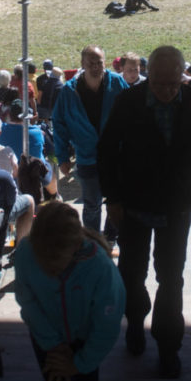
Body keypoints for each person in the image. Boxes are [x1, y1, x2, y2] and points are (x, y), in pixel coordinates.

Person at [97, 45, 191, 379]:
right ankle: (135, 321)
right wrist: (112, 198)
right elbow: (107, 150)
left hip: (175, 205)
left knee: (171, 278)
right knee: (131, 273)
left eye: (173, 84)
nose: (167, 91)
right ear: (148, 76)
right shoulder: (129, 101)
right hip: (134, 204)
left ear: (183, 77)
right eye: (159, 83)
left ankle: (169, 347)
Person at [13, 202, 125, 381]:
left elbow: (106, 326)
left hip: (86, 340)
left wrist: (79, 363)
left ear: (76, 248)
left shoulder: (100, 267)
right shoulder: (25, 253)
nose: (49, 269)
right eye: (42, 261)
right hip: (45, 338)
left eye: (55, 263)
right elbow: (28, 304)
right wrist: (54, 346)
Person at [52, 45, 129, 238]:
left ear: (105, 62)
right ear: (82, 64)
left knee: (116, 200)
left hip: (115, 157)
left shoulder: (118, 84)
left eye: (99, 63)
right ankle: (93, 241)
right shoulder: (69, 92)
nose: (96, 67)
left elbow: (132, 115)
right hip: (86, 156)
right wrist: (62, 157)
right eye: (91, 63)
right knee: (92, 204)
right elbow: (59, 124)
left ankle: (111, 238)